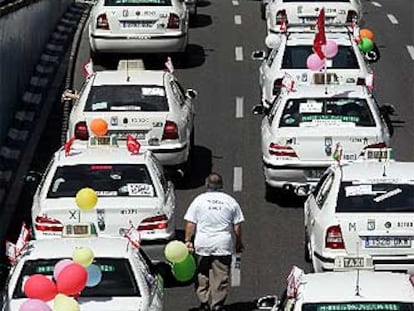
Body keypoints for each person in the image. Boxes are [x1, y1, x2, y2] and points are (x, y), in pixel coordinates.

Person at [184, 172, 245, 311]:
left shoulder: (199, 200)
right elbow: (237, 226)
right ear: (221, 186)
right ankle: (217, 305)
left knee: (201, 273)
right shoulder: (230, 201)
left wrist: (188, 241)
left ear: (207, 185)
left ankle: (204, 301)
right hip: (222, 244)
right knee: (221, 276)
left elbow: (190, 223)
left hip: (202, 244)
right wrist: (238, 242)